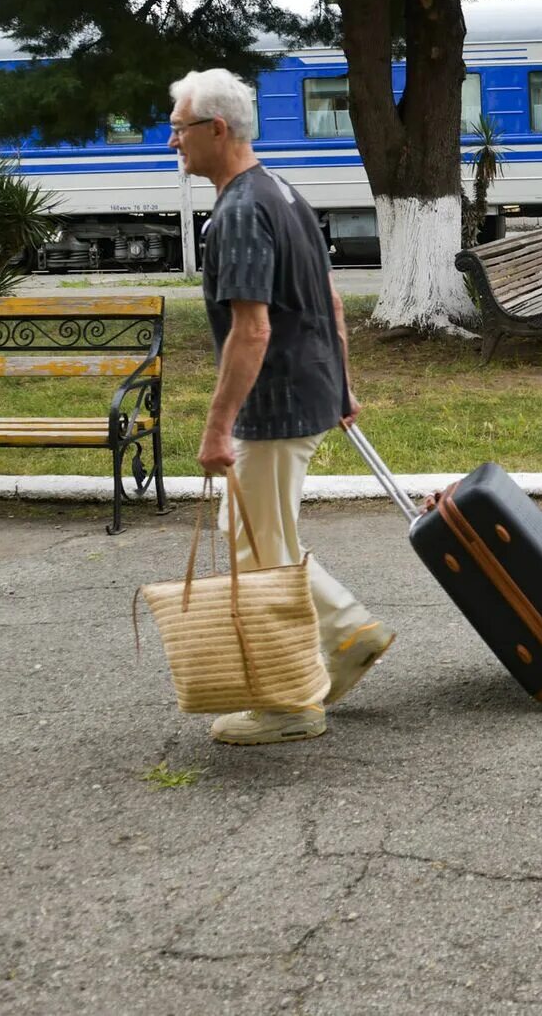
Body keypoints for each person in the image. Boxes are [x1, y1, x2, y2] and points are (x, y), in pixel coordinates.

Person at [169, 69, 395, 746]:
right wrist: (343, 384)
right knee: (267, 541)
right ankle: (348, 632)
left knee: (258, 556)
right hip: (309, 391)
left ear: (217, 129)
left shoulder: (239, 209)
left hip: (274, 408)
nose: (172, 140)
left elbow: (254, 329)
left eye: (179, 127)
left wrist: (217, 428)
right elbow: (328, 301)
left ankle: (291, 702)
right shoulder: (284, 191)